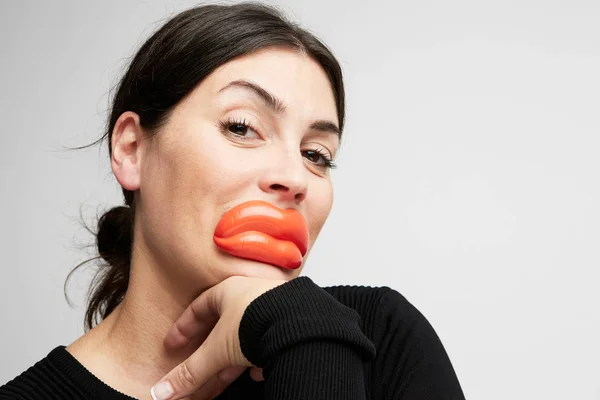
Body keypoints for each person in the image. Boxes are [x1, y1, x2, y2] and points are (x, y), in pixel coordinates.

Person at [0, 3, 465, 400]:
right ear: (132, 150)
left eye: (316, 155)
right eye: (241, 127)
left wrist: (303, 332)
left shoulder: (377, 339)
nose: (294, 177)